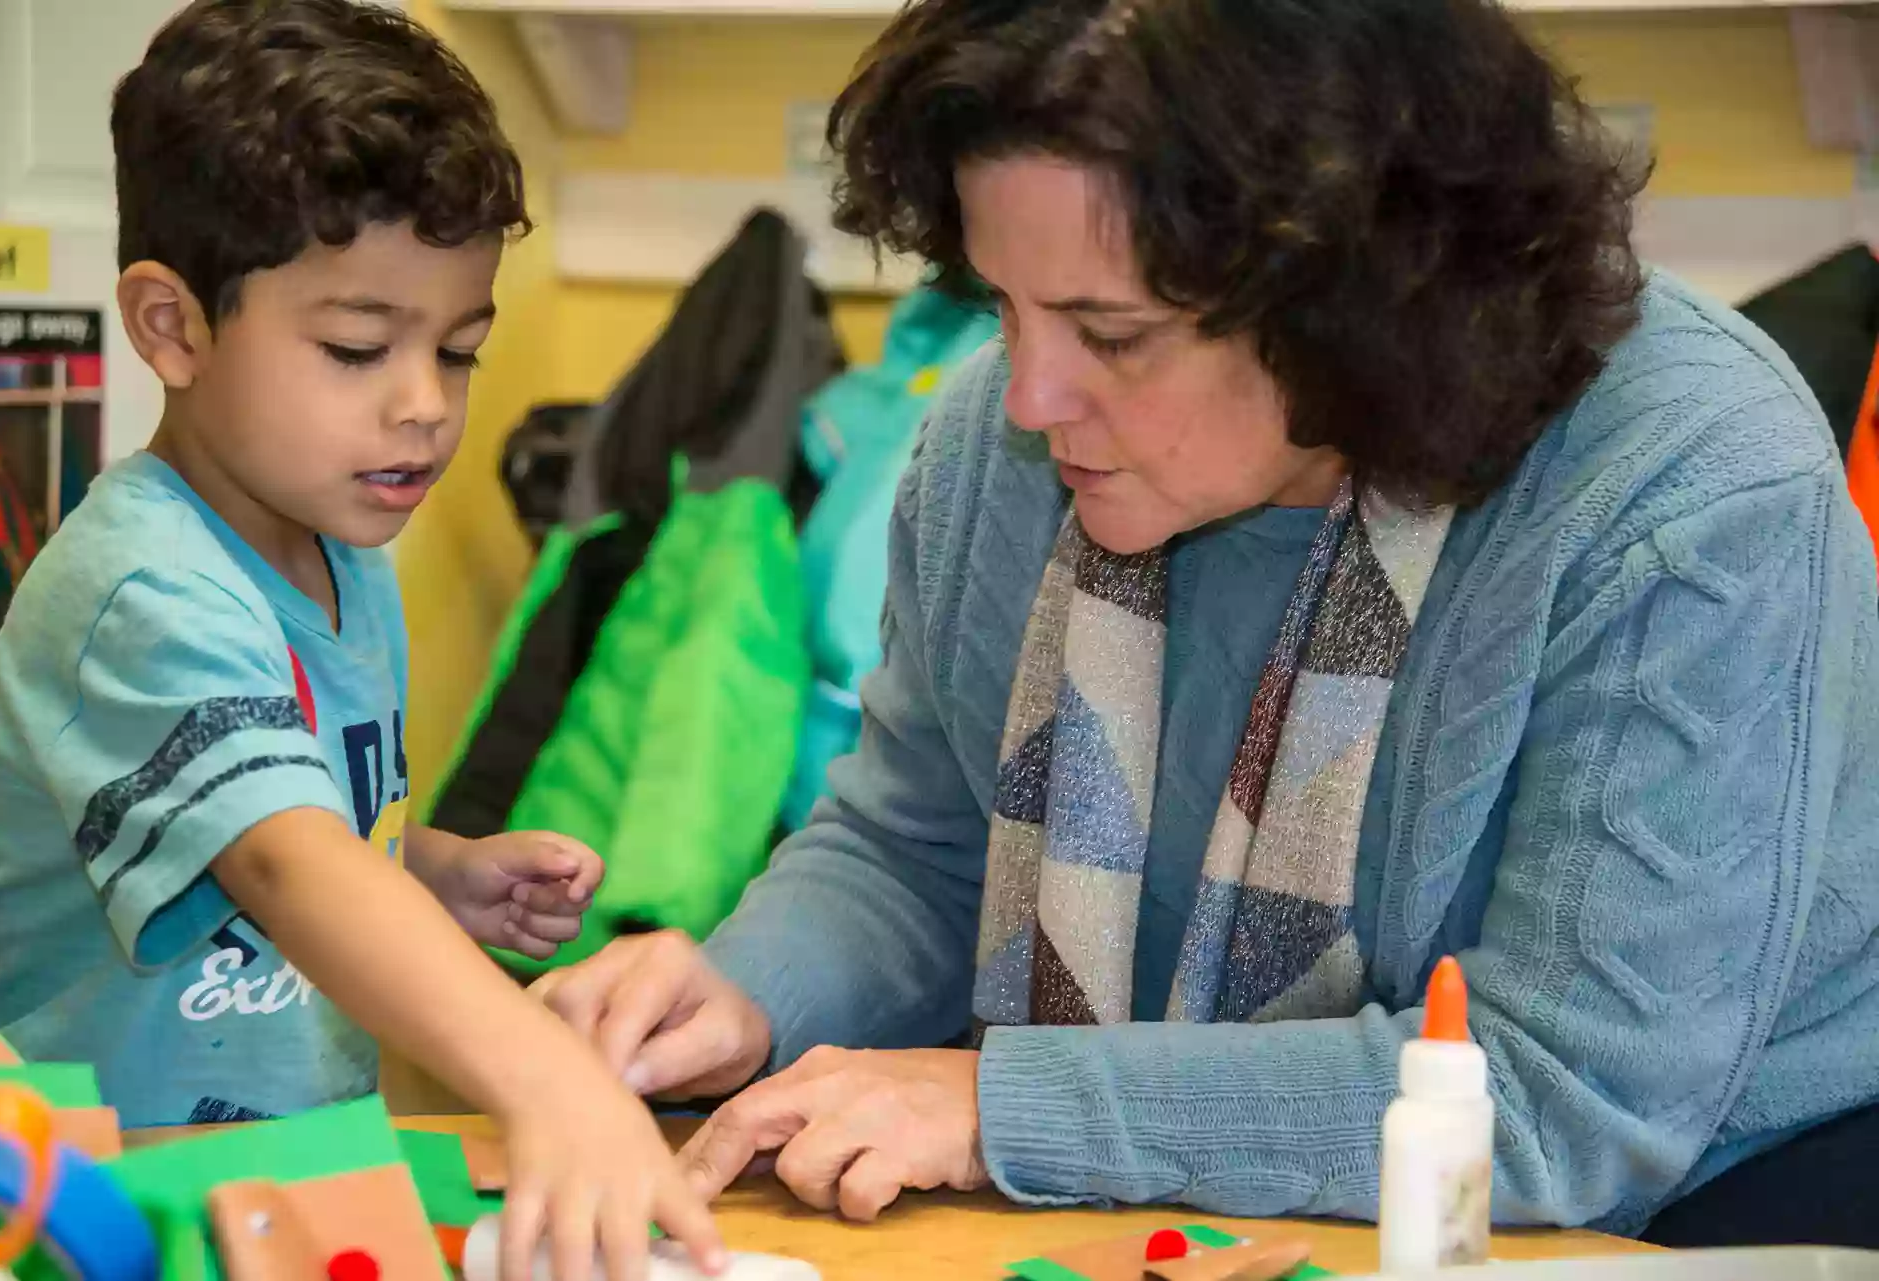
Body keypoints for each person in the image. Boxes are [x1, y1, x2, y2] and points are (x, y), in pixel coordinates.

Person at [529, 0, 1879, 1247]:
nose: (1027, 397)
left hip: (1721, 1202)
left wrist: (1010, 1108)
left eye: (1109, 333)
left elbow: (1564, 1100)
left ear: (1356, 291)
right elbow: (920, 846)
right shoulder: (987, 456)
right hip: (1191, 1184)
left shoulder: (1689, 488)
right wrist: (745, 990)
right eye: (1001, 304)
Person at [0, 3, 723, 1279]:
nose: (425, 405)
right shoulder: (141, 590)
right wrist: (542, 1075)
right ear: (172, 326)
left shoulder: (340, 548)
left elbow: (299, 821)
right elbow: (283, 870)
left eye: (459, 350)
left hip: (274, 1190)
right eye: (359, 347)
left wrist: (428, 867)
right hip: (95, 1220)